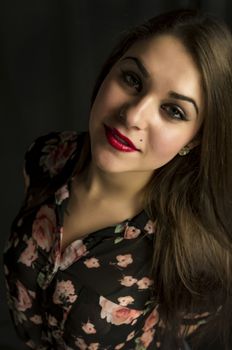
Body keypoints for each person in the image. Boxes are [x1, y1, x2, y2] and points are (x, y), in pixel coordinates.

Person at [3, 8, 232, 350]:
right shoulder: (47, 158)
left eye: (173, 111)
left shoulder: (194, 253)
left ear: (195, 140)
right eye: (132, 80)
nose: (133, 115)